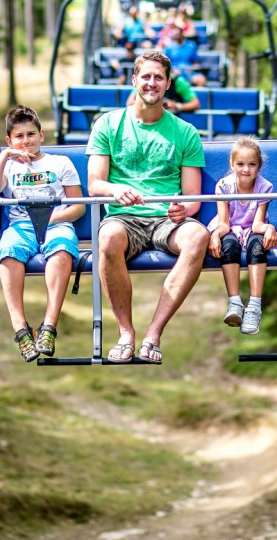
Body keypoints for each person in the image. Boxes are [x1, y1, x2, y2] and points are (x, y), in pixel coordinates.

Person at [86, 50, 209, 363]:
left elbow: (193, 195)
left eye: (158, 78)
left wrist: (185, 209)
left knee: (197, 237)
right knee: (108, 238)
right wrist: (116, 190)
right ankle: (126, 332)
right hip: (125, 218)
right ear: (134, 81)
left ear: (168, 84)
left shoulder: (185, 133)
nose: (151, 83)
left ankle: (154, 333)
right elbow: (95, 185)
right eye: (146, 76)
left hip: (166, 219)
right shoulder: (108, 125)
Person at [0, 105, 86, 362]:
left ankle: (48, 326)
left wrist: (52, 218)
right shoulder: (7, 167)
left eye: (30, 134)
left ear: (42, 135)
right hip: (21, 227)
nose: (25, 141)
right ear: (9, 141)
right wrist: (5, 157)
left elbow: (79, 206)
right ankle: (20, 328)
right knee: (7, 254)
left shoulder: (60, 163)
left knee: (61, 252)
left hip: (56, 224)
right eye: (18, 136)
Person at [207, 137, 277, 335]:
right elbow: (224, 223)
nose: (246, 170)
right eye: (240, 164)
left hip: (251, 230)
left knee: (257, 246)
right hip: (230, 227)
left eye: (252, 164)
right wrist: (215, 235)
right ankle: (235, 302)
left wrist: (269, 229)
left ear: (259, 166)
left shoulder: (264, 187)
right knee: (228, 245)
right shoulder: (224, 186)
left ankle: (255, 305)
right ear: (232, 165)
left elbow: (257, 224)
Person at [124, 66, 201, 113]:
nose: (152, 83)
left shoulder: (178, 81)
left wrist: (176, 106)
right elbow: (130, 102)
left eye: (159, 77)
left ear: (168, 82)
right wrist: (151, 106)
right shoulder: (143, 82)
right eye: (148, 77)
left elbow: (195, 104)